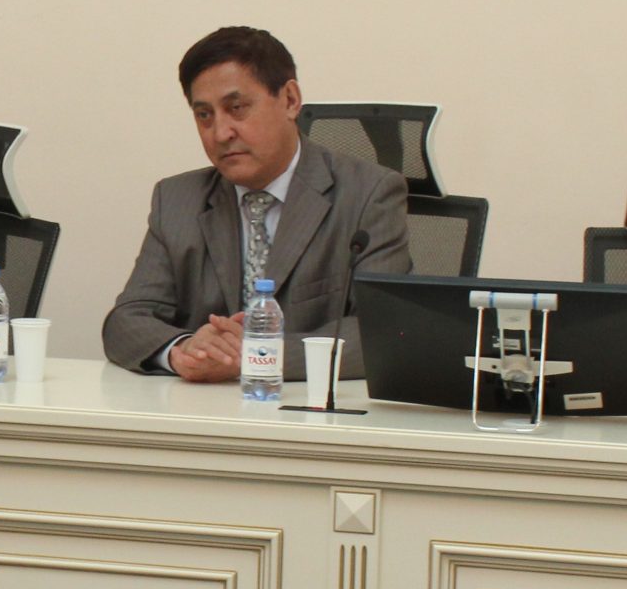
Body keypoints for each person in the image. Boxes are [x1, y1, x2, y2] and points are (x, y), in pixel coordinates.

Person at [101, 26, 410, 382]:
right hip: (199, 405)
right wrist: (184, 350)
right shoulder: (176, 199)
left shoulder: (369, 194)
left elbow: (382, 332)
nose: (221, 133)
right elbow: (126, 321)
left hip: (304, 407)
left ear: (290, 100)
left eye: (237, 108)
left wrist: (255, 356)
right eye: (204, 115)